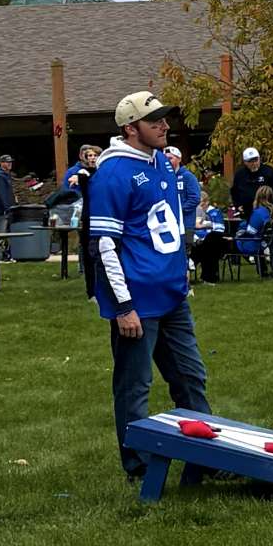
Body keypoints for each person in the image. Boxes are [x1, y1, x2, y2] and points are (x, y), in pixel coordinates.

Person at [89, 91, 210, 484]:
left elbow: (170, 224)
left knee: (191, 377)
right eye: (154, 120)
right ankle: (138, 466)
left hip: (172, 295)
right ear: (130, 128)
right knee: (135, 385)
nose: (164, 126)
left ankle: (205, 456)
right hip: (138, 300)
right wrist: (122, 305)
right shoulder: (112, 172)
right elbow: (104, 244)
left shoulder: (161, 162)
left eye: (164, 119)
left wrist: (183, 267)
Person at [229, 147, 273, 217]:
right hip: (246, 212)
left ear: (259, 159)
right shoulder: (240, 174)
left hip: (268, 211)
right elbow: (234, 192)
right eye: (250, 161)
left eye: (256, 160)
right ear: (245, 162)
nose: (254, 163)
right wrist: (237, 205)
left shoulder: (269, 172)